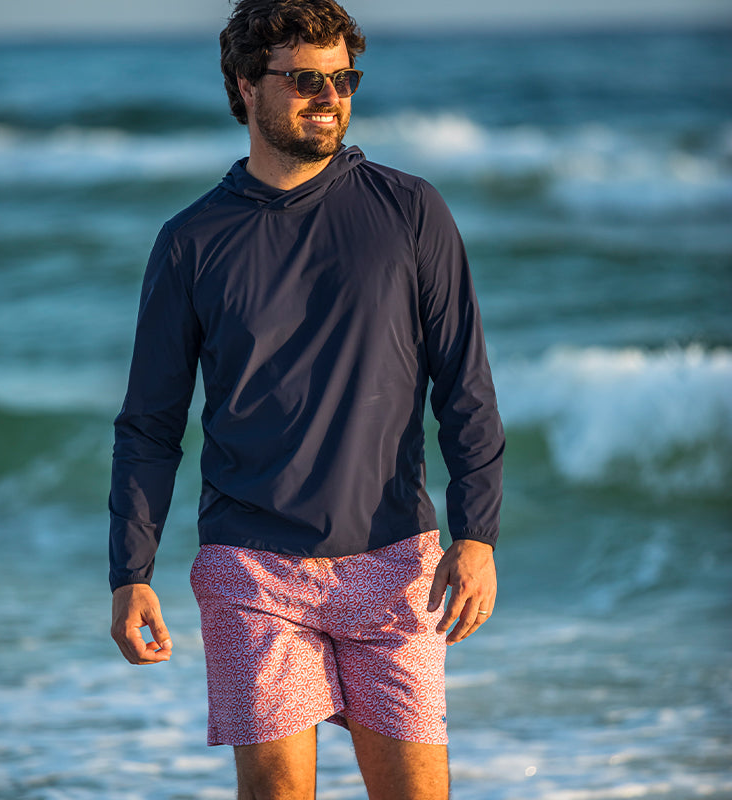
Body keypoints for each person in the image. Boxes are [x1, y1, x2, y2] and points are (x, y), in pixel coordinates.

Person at [109, 0, 504, 796]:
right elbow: (151, 425)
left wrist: (477, 534)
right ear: (244, 85)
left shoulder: (410, 211)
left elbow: (464, 385)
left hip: (396, 560)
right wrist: (130, 571)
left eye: (343, 79)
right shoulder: (192, 241)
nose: (329, 97)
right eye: (304, 80)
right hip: (252, 569)